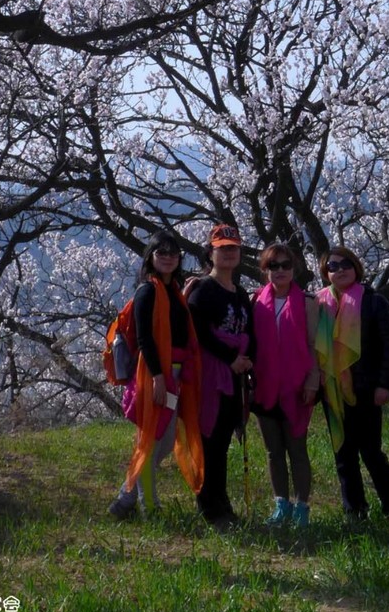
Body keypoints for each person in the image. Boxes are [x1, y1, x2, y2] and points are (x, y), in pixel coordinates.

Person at [108, 229, 203, 519]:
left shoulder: (173, 292)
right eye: (161, 252)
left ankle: (125, 500)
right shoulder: (147, 291)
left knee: (165, 439)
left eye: (174, 253)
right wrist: (158, 377)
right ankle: (150, 507)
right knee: (150, 442)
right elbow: (146, 339)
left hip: (174, 375)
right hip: (155, 375)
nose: (168, 257)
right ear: (150, 257)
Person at [315, 245, 389, 526]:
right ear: (325, 273)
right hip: (332, 389)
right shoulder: (320, 304)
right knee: (343, 453)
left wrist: (385, 385)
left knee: (371, 452)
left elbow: (388, 346)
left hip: (367, 388)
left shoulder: (373, 301)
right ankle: (354, 510)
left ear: (356, 267)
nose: (340, 270)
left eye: (346, 264)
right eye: (333, 266)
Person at [187, 223, 255, 527]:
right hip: (211, 376)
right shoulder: (203, 290)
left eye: (233, 248)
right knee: (210, 439)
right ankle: (209, 506)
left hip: (235, 376)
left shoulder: (240, 293)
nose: (228, 253)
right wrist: (231, 358)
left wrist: (246, 361)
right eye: (222, 248)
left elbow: (249, 331)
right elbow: (199, 332)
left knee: (224, 439)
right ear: (210, 253)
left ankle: (222, 501)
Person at [251, 243, 320, 527]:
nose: (280, 271)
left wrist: (312, 382)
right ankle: (281, 504)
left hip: (296, 386)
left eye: (285, 265)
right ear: (265, 270)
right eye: (273, 266)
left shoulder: (308, 302)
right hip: (264, 385)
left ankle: (302, 506)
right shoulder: (255, 301)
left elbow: (314, 345)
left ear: (294, 269)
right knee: (273, 451)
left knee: (297, 449)